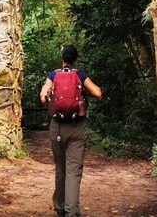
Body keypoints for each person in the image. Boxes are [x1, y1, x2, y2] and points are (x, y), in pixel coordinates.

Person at [39, 44, 103, 217]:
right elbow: (97, 93)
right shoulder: (80, 75)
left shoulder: (53, 75)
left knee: (60, 168)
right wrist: (82, 92)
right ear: (75, 58)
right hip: (77, 128)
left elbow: (43, 98)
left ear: (62, 57)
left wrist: (50, 92)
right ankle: (71, 211)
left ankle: (59, 207)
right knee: (74, 170)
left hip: (57, 127)